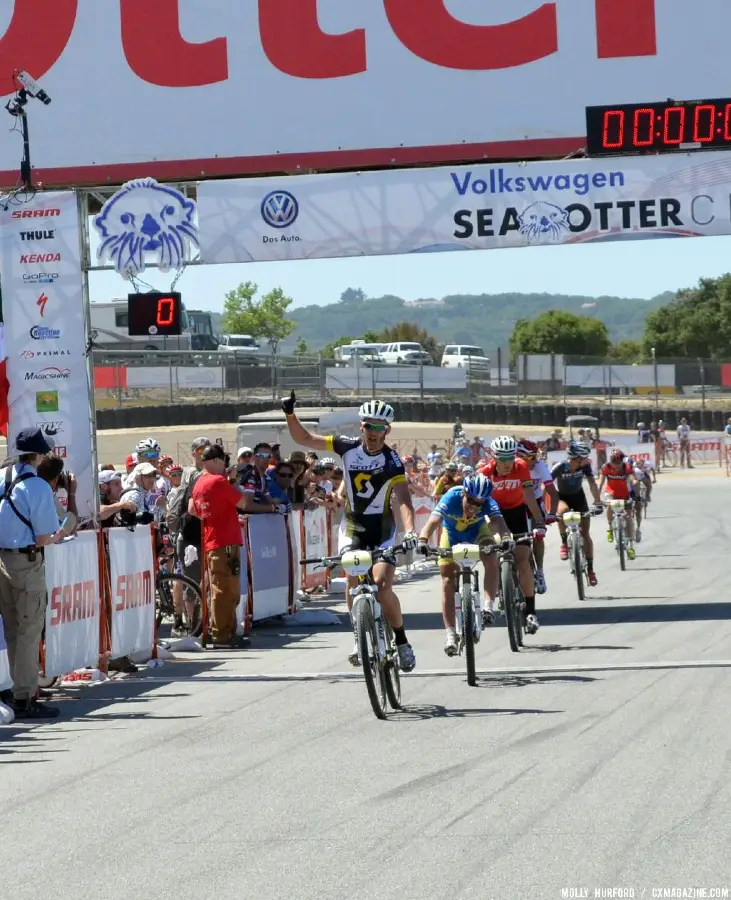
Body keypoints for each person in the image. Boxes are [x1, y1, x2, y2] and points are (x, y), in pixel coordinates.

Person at [282, 391, 418, 672]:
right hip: (353, 525)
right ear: (362, 427)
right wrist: (289, 414)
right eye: (369, 426)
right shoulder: (346, 446)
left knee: (382, 586)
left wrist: (411, 532)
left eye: (379, 428)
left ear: (387, 430)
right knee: (352, 577)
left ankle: (402, 641)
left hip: (382, 527)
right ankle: (358, 638)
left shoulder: (393, 461)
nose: (373, 432)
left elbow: (404, 500)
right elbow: (305, 440)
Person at [0, 428, 64, 719]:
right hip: (26, 561)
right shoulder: (37, 486)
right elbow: (43, 537)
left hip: (3, 560)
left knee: (14, 630)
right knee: (28, 632)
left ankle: (18, 691)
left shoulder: (2, 478)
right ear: (38, 455)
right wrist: (62, 531)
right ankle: (24, 696)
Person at [417, 474, 509, 655]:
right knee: (447, 579)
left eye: (479, 504)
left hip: (478, 533)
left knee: (491, 555)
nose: (474, 507)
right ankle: (450, 634)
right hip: (451, 536)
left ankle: (488, 607)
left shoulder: (488, 502)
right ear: (464, 494)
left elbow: (499, 522)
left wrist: (506, 537)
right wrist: (422, 539)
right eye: (470, 501)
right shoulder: (451, 496)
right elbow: (433, 521)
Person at [479, 436, 546, 633]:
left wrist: (539, 520)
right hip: (494, 515)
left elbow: (528, 496)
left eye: (511, 457)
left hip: (517, 513)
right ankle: (497, 587)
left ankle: (531, 612)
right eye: (503, 458)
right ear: (494, 457)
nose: (507, 462)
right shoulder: (484, 473)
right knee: (493, 553)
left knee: (523, 559)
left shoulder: (521, 466)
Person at [190, 443, 249, 648]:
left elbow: (192, 509)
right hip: (224, 541)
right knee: (226, 589)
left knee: (222, 588)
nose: (225, 465)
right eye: (223, 461)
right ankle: (222, 634)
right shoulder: (218, 481)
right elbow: (242, 503)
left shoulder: (200, 482)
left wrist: (213, 517)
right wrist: (232, 482)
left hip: (213, 539)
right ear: (215, 461)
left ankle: (224, 632)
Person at [551, 440, 603, 584]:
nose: (587, 460)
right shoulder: (560, 467)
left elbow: (592, 483)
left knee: (585, 534)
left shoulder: (585, 466)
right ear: (577, 458)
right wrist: (547, 508)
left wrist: (598, 502)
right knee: (562, 512)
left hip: (579, 497)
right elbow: (546, 486)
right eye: (585, 457)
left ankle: (591, 570)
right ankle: (563, 542)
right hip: (562, 498)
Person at [516, 439, 559, 595]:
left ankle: (539, 571)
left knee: (538, 536)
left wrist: (552, 513)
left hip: (535, 502)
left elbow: (553, 492)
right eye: (530, 458)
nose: (534, 461)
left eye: (535, 457)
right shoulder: (512, 468)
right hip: (517, 505)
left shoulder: (539, 466)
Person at [598, 448, 638, 558]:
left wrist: (634, 482)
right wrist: (597, 499)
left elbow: (632, 477)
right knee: (610, 505)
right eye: (614, 463)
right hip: (610, 493)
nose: (616, 466)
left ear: (622, 461)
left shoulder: (627, 467)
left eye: (618, 463)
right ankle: (610, 528)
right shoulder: (606, 467)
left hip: (624, 494)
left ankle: (630, 545)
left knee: (628, 517)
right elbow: (600, 483)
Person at [238, 442, 286, 514]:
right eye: (263, 456)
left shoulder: (264, 477)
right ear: (254, 457)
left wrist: (283, 502)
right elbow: (247, 506)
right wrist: (273, 508)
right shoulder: (251, 476)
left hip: (253, 520)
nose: (266, 459)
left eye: (269, 456)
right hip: (244, 521)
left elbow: (270, 499)